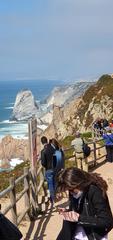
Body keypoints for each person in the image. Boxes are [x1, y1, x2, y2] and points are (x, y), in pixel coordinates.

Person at [56, 167, 113, 240]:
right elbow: (81, 210)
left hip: (93, 235)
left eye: (71, 190)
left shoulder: (95, 191)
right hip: (78, 232)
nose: (71, 193)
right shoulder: (75, 190)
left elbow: (107, 222)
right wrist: (68, 212)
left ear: (79, 183)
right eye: (68, 190)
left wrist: (79, 218)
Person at [41, 136, 55, 203]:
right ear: (46, 141)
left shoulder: (43, 151)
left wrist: (45, 166)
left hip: (48, 169)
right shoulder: (53, 148)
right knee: (54, 182)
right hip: (55, 167)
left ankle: (52, 199)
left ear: (42, 143)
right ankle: (54, 196)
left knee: (50, 184)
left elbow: (43, 163)